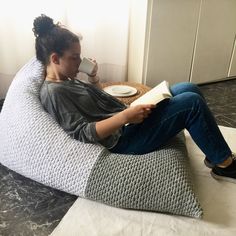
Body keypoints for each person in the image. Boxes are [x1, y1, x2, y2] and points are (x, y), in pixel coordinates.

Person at [33, 14, 236, 183]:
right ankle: (225, 166)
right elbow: (82, 133)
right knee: (191, 103)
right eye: (75, 57)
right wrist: (125, 117)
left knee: (187, 87)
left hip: (127, 121)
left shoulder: (68, 80)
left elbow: (100, 104)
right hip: (124, 140)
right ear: (54, 59)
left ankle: (214, 153)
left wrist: (93, 77)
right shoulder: (54, 93)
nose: (79, 61)